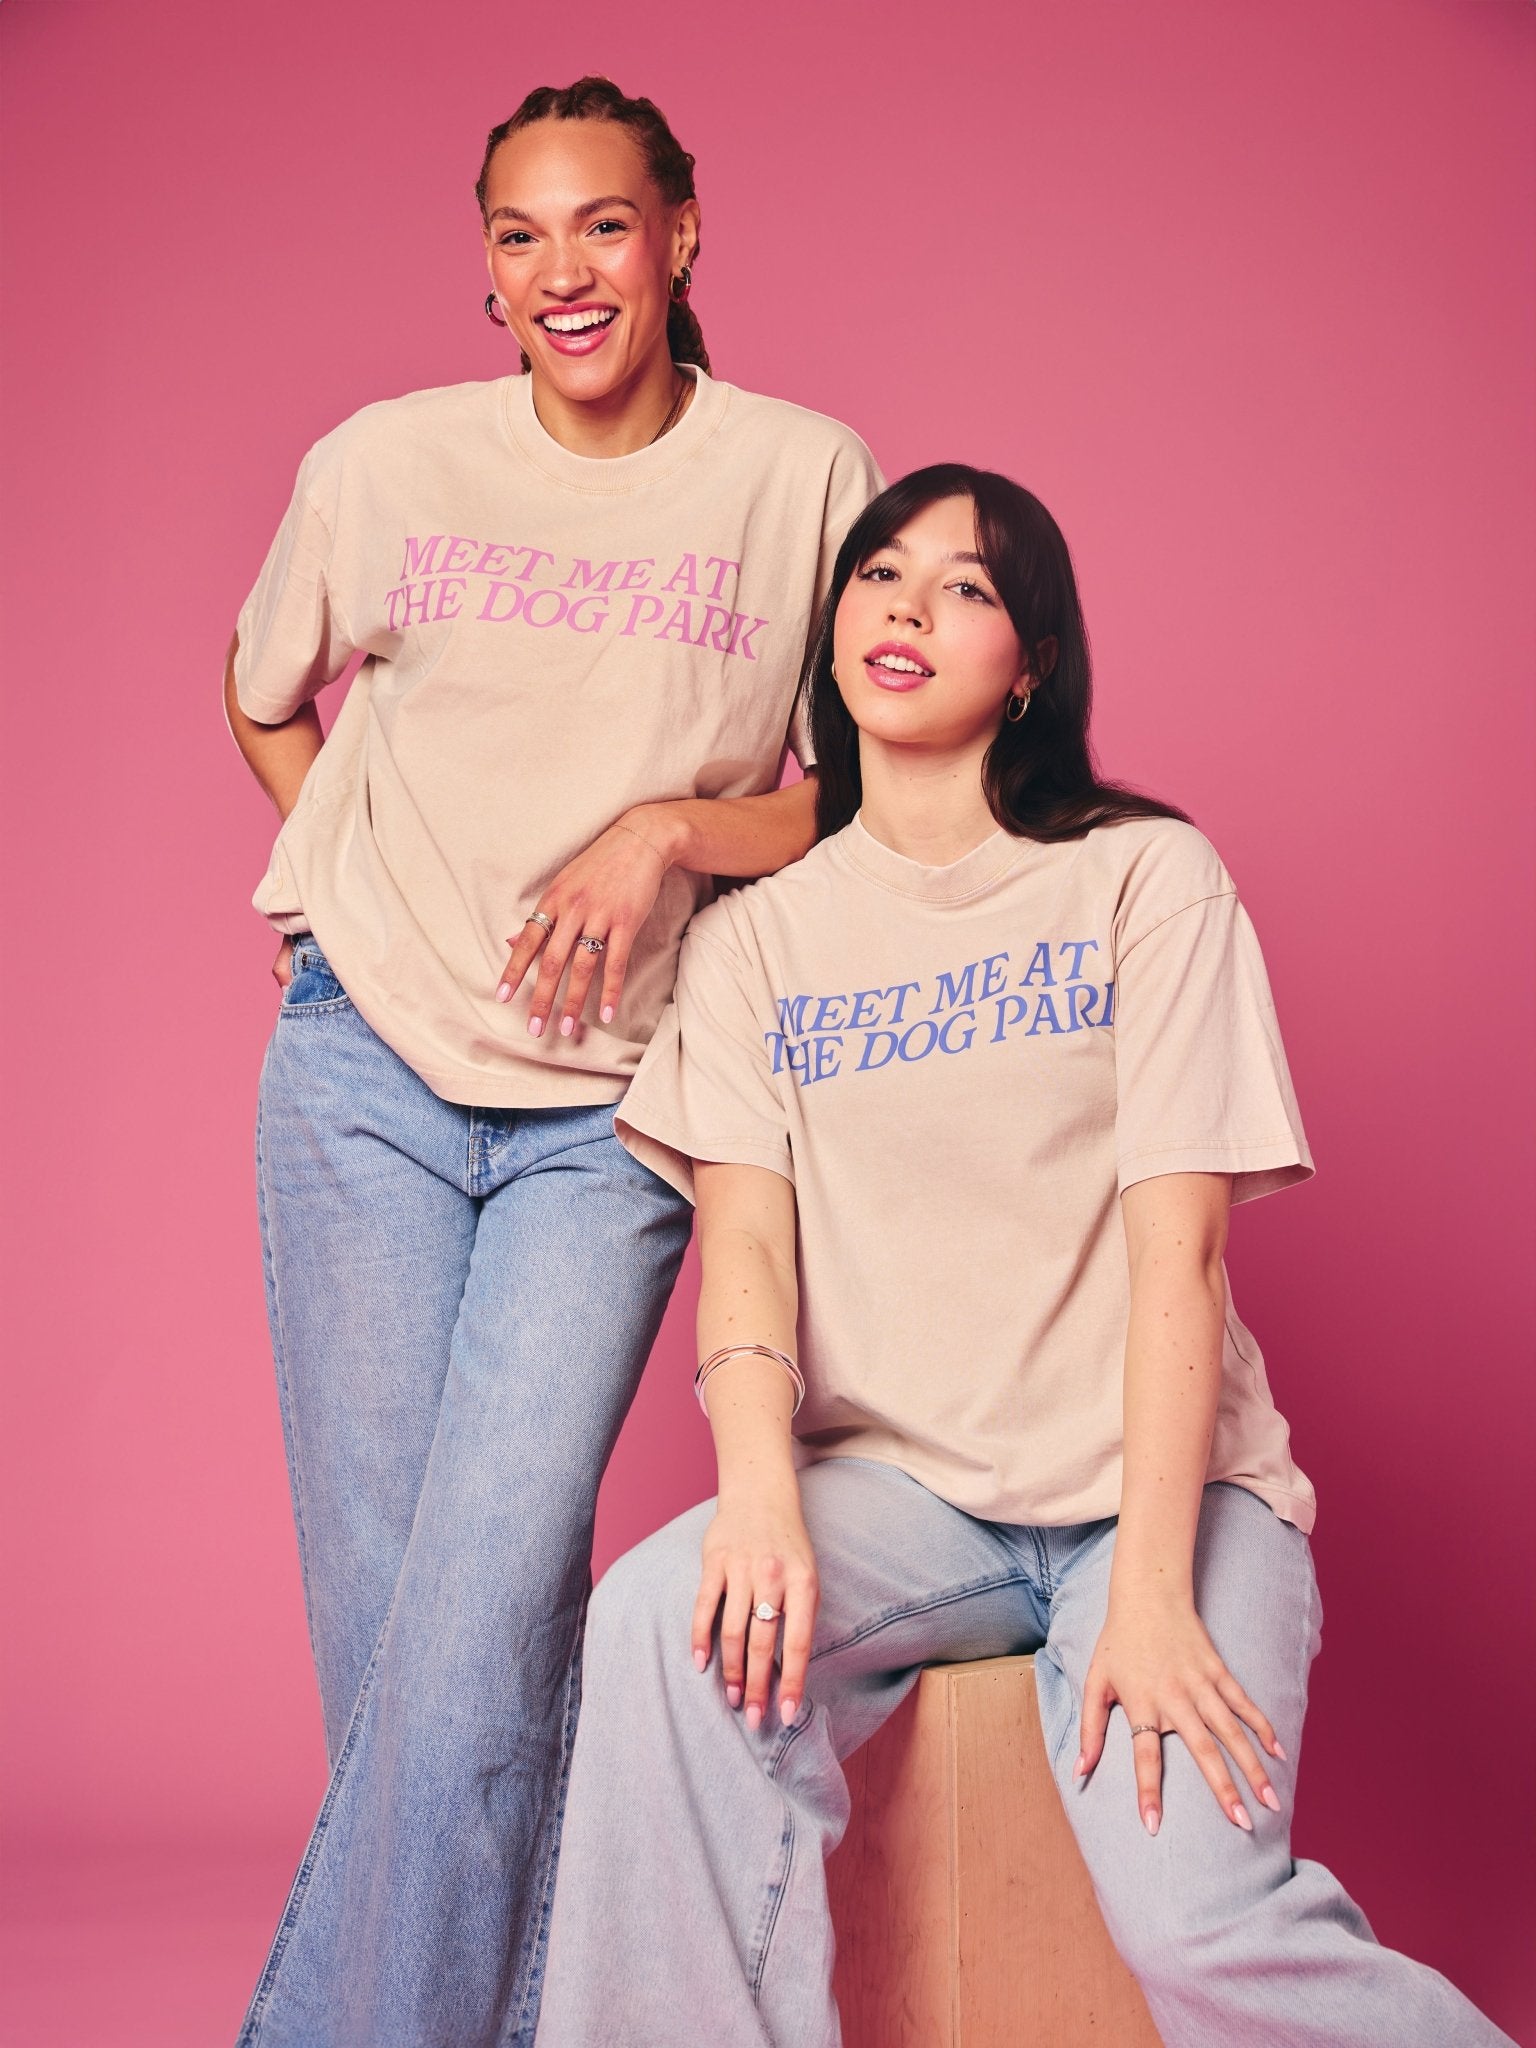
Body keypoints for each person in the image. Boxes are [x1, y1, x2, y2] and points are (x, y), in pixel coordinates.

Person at [532, 466, 1516, 2047]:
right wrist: (763, 1501)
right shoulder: (754, 942)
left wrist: (1147, 1590)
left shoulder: (1144, 878)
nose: (912, 608)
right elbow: (750, 1261)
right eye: (882, 575)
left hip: (1173, 1496)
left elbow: (1179, 1257)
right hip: (912, 1499)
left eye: (972, 588)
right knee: (660, 1625)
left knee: (1197, 1920)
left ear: (1033, 662)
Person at [224, 76, 881, 2048]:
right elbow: (264, 692)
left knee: (488, 1620)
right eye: (522, 236)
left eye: (603, 225)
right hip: (365, 1078)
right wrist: (358, 885)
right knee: (404, 1661)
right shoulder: (389, 459)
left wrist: (672, 828)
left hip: (611, 1113)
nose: (563, 273)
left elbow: (857, 793)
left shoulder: (800, 470)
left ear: (683, 233)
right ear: (487, 269)